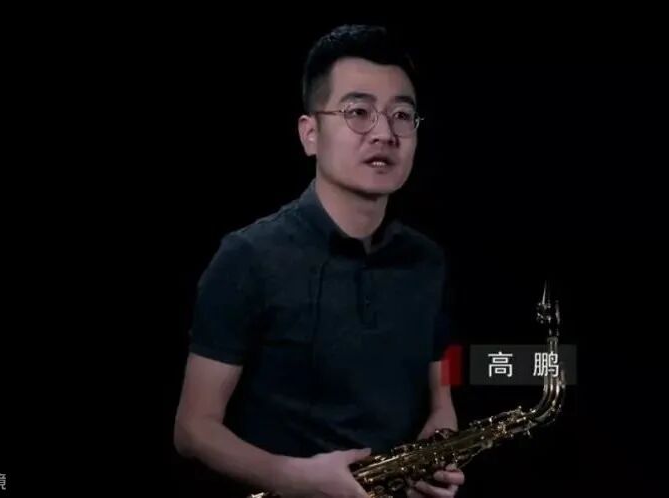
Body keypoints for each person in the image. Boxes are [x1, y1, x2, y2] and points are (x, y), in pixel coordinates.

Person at [173, 24, 465, 498]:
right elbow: (192, 429)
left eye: (402, 115)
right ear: (310, 134)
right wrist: (295, 478)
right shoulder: (247, 258)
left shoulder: (429, 261)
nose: (385, 133)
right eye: (358, 112)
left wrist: (441, 434)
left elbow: (444, 376)